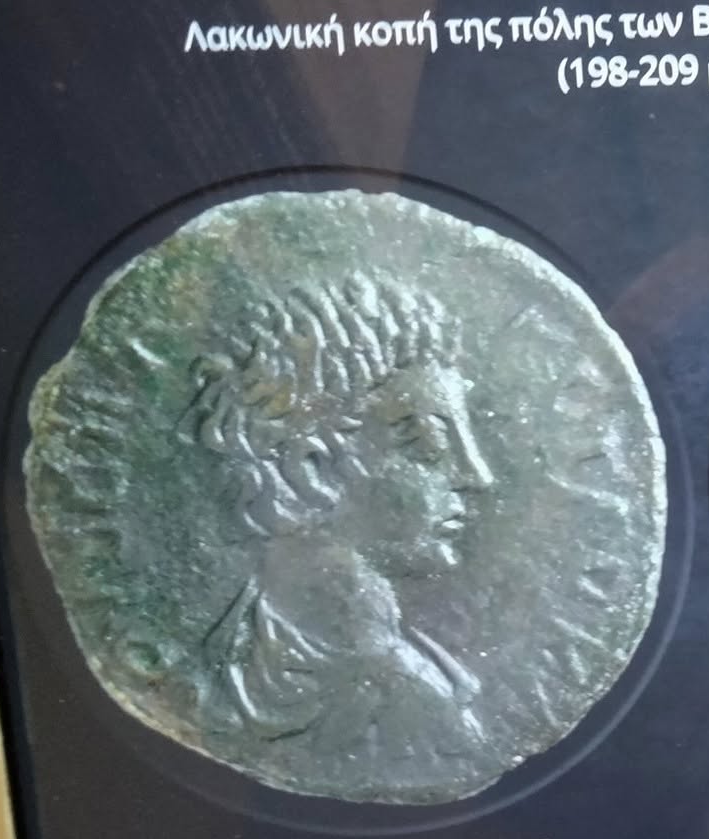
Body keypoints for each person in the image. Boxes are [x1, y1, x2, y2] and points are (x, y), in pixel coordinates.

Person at [182, 275, 495, 749]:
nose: (477, 475)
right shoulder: (408, 706)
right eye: (430, 444)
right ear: (312, 469)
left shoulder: (241, 650)